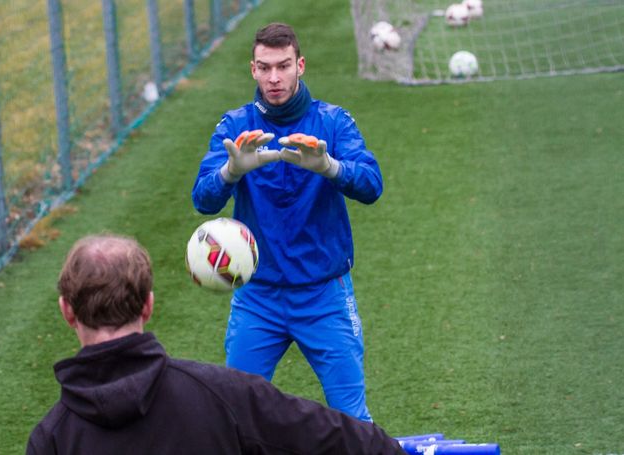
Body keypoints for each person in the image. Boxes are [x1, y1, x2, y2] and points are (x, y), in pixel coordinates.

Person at [26, 234, 406, 455]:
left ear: (67, 311)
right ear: (148, 305)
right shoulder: (225, 395)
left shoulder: (52, 438)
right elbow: (353, 443)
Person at [191, 23, 383, 422]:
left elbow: (371, 185)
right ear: (252, 70)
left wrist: (331, 167)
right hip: (257, 299)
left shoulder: (333, 122)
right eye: (264, 68)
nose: (274, 78)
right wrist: (230, 171)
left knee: (353, 421)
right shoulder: (233, 127)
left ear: (300, 65)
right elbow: (203, 200)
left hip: (324, 296)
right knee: (235, 417)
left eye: (283, 66)